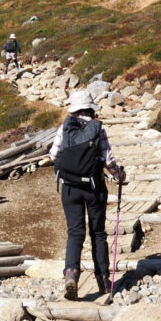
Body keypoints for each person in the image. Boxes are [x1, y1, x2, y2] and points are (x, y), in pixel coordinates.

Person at [50, 88, 126, 300]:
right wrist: (120, 176)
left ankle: (71, 274)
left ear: (74, 109)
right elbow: (109, 161)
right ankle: (103, 281)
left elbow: (53, 154)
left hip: (70, 188)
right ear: (91, 109)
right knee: (98, 233)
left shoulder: (65, 128)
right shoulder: (98, 129)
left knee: (75, 233)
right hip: (94, 188)